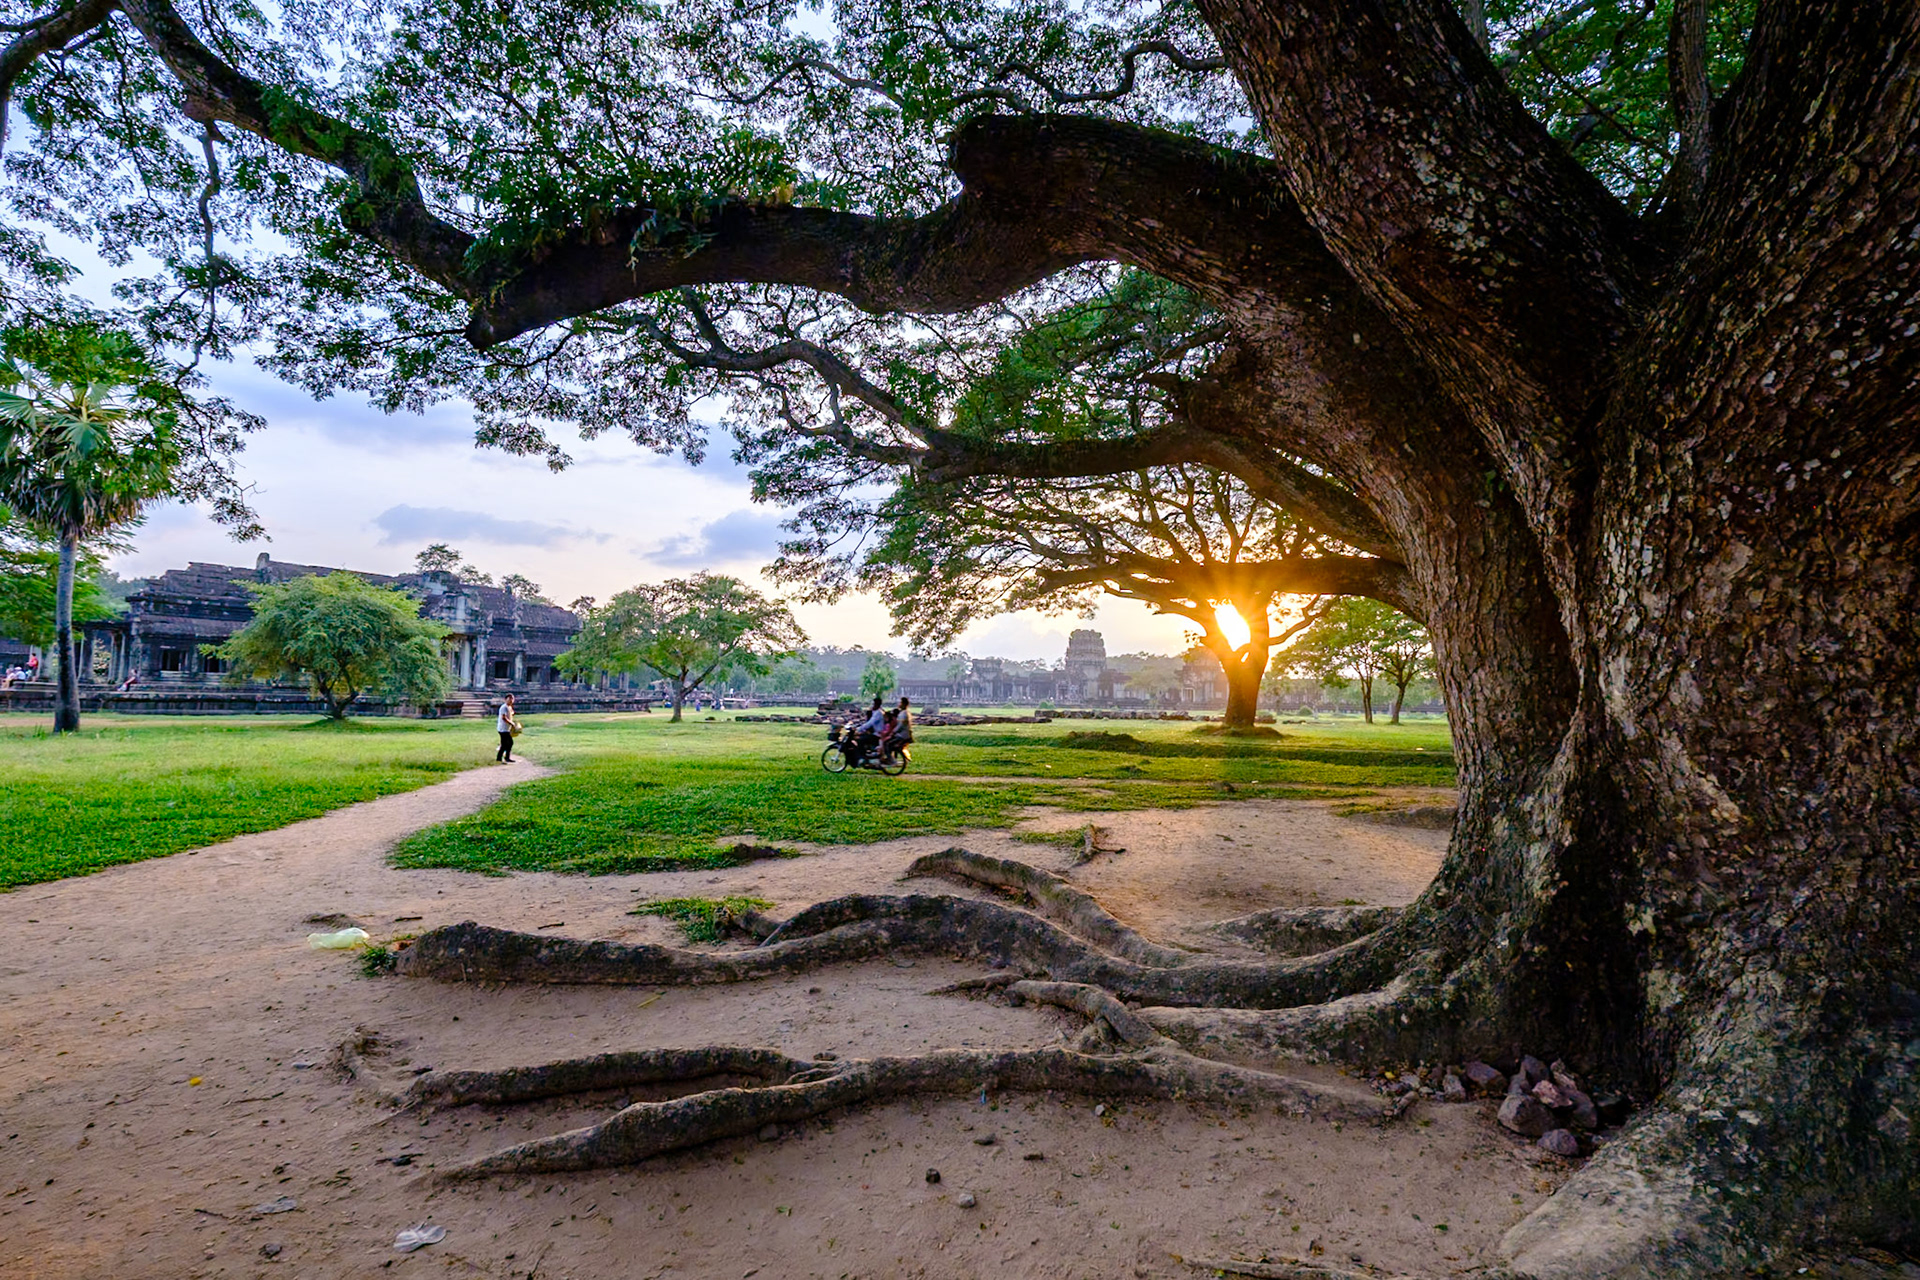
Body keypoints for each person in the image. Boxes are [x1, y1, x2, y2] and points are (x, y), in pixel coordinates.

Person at [495, 694, 520, 763]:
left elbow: (511, 713)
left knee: (508, 743)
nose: (511, 700)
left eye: (512, 699)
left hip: (507, 729)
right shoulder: (504, 707)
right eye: (509, 699)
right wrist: (511, 723)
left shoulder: (509, 707)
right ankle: (501, 758)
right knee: (507, 743)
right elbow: (504, 718)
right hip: (503, 729)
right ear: (506, 699)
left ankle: (505, 757)